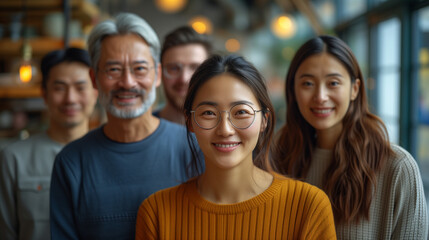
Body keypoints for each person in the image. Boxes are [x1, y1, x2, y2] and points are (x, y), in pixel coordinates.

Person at [136, 54, 337, 240]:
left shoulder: (308, 206)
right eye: (208, 113)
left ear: (264, 121)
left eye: (241, 112)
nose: (225, 130)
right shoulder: (156, 213)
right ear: (190, 122)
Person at [50, 13, 199, 240]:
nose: (128, 82)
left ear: (157, 74)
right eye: (113, 70)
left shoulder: (194, 149)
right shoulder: (71, 162)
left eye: (139, 68)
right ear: (94, 78)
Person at [272, 35, 428, 239]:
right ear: (293, 89)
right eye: (308, 83)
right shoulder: (277, 157)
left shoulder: (397, 167)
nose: (320, 96)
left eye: (333, 83)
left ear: (354, 89)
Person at [0, 47, 98, 240]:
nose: (70, 99)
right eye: (59, 88)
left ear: (96, 92)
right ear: (44, 93)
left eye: (80, 87)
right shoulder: (14, 158)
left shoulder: (110, 154)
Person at [153, 26, 212, 125]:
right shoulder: (141, 132)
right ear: (160, 73)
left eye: (195, 68)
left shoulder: (223, 132)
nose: (184, 79)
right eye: (174, 68)